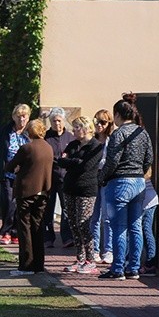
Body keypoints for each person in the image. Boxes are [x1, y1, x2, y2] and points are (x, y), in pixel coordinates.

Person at [97, 92, 153, 280]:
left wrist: (102, 178)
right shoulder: (142, 132)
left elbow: (112, 161)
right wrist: (140, 172)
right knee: (136, 226)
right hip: (139, 182)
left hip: (120, 182)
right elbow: (149, 158)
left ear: (118, 115)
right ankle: (134, 268)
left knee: (119, 227)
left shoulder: (118, 134)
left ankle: (118, 268)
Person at [4, 119, 54, 276]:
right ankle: (38, 265)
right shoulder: (48, 148)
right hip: (43, 191)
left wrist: (18, 168)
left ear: (29, 132)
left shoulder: (27, 148)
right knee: (38, 227)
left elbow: (9, 166)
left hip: (26, 192)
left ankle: (26, 265)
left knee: (24, 228)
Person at [57, 116, 103, 274]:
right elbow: (61, 161)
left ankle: (91, 259)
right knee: (73, 224)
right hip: (69, 188)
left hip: (86, 189)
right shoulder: (72, 144)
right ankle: (80, 258)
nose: (74, 130)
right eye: (74, 127)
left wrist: (73, 162)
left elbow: (86, 166)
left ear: (87, 128)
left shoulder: (95, 146)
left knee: (83, 223)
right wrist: (74, 162)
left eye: (77, 127)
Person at [0, 103, 31, 245]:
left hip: (24, 174)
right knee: (8, 202)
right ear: (14, 117)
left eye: (24, 117)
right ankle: (6, 232)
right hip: (7, 173)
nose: (21, 120)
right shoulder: (5, 131)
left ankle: (15, 232)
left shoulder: (30, 132)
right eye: (19, 116)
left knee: (19, 204)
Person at [43, 107, 75, 249]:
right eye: (54, 121)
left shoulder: (70, 137)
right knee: (48, 209)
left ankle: (66, 237)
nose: (57, 123)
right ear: (50, 121)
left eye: (59, 121)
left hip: (65, 178)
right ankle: (48, 237)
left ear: (63, 121)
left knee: (66, 209)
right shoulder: (46, 137)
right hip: (49, 178)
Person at [90, 109, 116, 264]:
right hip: (93, 178)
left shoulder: (112, 140)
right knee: (94, 216)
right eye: (97, 122)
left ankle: (108, 250)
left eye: (103, 122)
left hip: (107, 178)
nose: (99, 125)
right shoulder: (93, 140)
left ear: (109, 124)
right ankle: (94, 250)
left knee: (107, 216)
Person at [139, 167, 159, 276]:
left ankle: (150, 263)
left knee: (146, 230)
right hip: (149, 198)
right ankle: (149, 263)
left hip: (146, 200)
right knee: (146, 229)